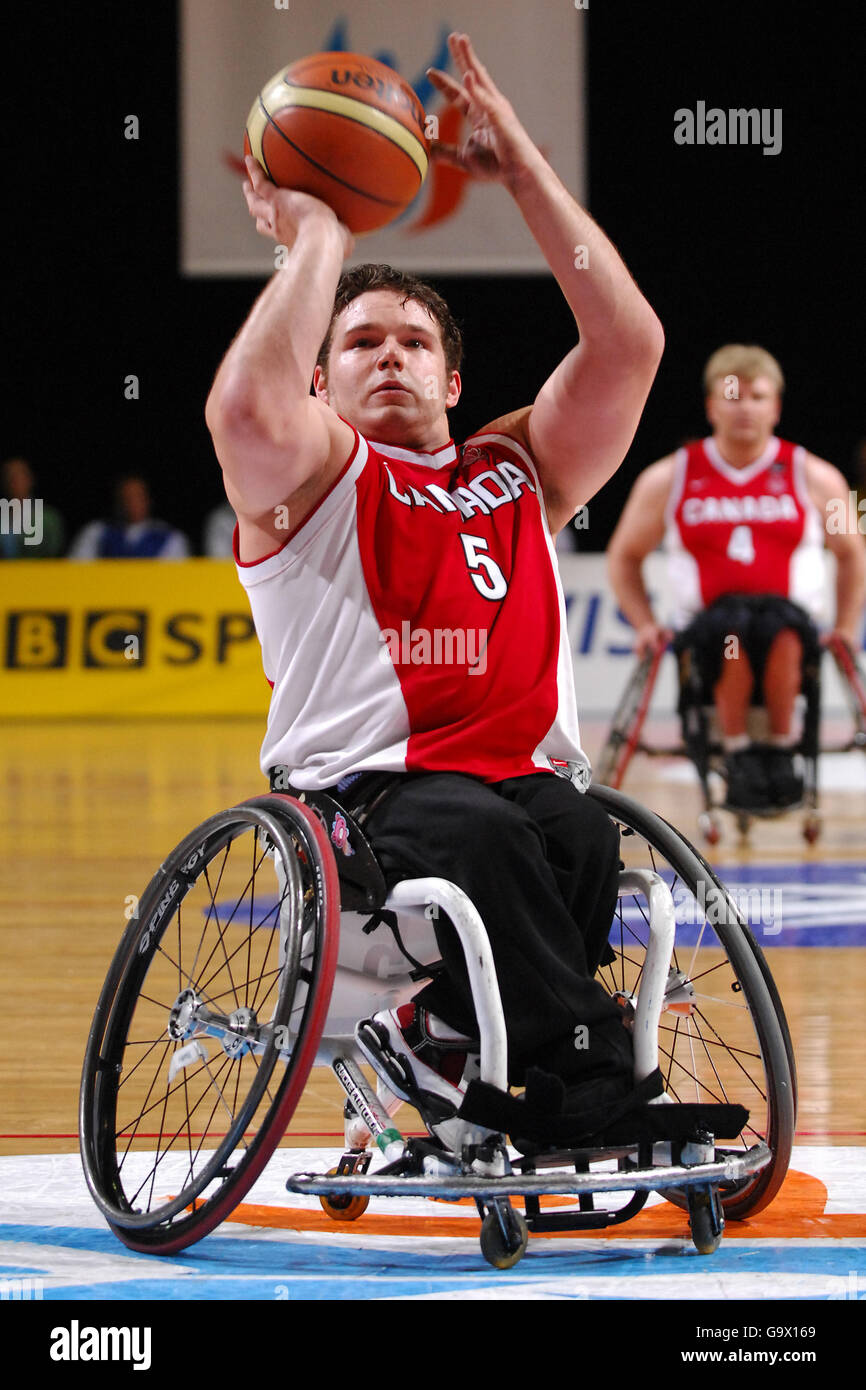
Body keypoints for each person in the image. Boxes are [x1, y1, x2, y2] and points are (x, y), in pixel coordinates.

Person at [206, 34, 664, 1135]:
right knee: (487, 835)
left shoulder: (515, 468)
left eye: (415, 341)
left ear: (453, 378)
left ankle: (440, 1035)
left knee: (582, 834)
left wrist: (524, 178)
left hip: (518, 778)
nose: (391, 355)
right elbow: (243, 411)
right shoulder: (311, 473)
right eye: (360, 342)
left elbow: (628, 343)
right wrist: (319, 233)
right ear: (322, 378)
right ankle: (588, 1076)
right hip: (365, 792)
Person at [607, 345, 866, 811]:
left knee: (780, 626)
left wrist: (845, 628)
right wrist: (645, 624)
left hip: (789, 629)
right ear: (711, 406)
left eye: (757, 396)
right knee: (731, 629)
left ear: (776, 407)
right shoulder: (670, 478)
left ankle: (779, 750)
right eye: (732, 395)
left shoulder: (817, 477)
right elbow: (624, 556)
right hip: (710, 631)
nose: (744, 406)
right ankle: (740, 752)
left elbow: (852, 553)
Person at [69, 475, 190, 558]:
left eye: (137, 497)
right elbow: (77, 569)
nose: (131, 503)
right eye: (126, 497)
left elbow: (175, 576)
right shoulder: (96, 532)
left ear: (148, 500)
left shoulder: (170, 537)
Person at [0, 456, 66, 558]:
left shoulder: (49, 518)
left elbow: (53, 553)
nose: (13, 481)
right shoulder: (3, 517)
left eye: (19, 476)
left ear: (30, 480)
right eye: (9, 477)